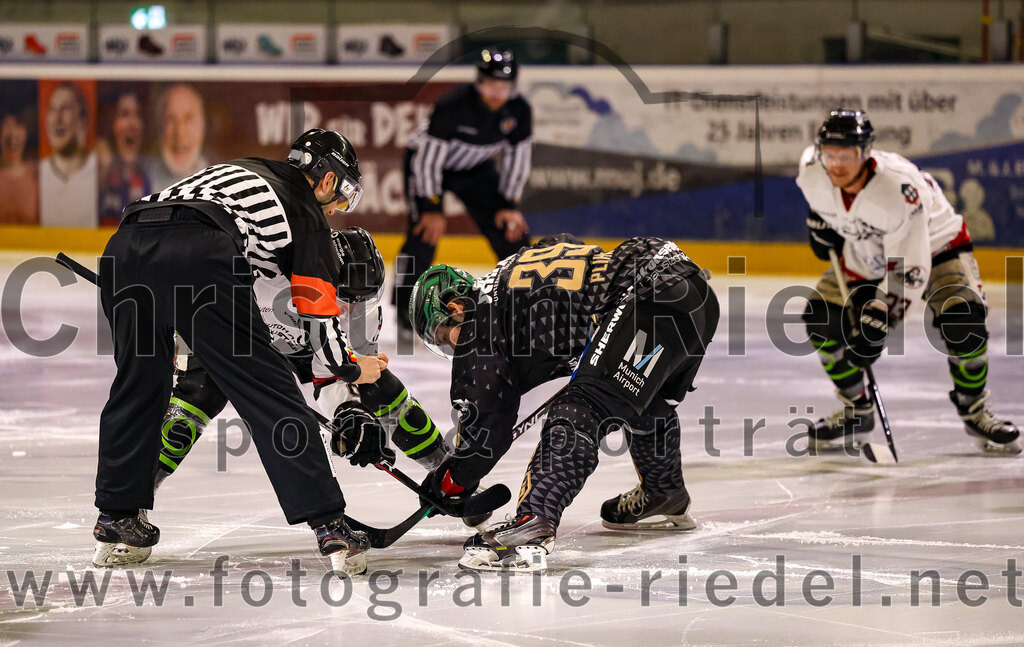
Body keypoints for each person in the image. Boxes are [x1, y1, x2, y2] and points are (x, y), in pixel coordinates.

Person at [93, 128, 393, 576]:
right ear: (328, 180)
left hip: (125, 246)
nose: (335, 210)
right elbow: (317, 312)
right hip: (201, 249)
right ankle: (330, 525)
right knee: (268, 390)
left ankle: (117, 517)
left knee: (137, 385)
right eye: (341, 198)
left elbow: (178, 228)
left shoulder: (246, 169)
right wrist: (350, 367)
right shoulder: (305, 210)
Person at [409, 234, 719, 571]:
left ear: (455, 308)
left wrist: (453, 480)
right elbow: (563, 244)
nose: (453, 347)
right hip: (692, 293)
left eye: (444, 336)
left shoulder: (477, 325)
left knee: (580, 409)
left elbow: (486, 431)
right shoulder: (507, 275)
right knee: (640, 399)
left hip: (646, 297)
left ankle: (533, 521)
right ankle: (664, 490)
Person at [152, 227, 451, 501]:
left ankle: (449, 473)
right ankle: (136, 495)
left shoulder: (362, 312)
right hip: (241, 331)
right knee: (201, 391)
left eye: (361, 302)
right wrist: (181, 336)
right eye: (345, 300)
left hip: (308, 343)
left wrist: (350, 413)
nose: (352, 312)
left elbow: (334, 376)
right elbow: (203, 291)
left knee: (377, 383)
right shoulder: (267, 273)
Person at [797, 109, 1019, 454]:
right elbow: (826, 209)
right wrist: (822, 228)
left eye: (847, 156)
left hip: (934, 243)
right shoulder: (812, 169)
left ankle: (974, 409)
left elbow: (910, 269)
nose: (837, 165)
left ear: (865, 152)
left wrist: (880, 321)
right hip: (866, 248)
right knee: (821, 319)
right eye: (830, 154)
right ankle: (857, 409)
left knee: (964, 321)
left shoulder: (898, 190)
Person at [394, 47, 533, 336]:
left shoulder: (519, 111)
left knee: (511, 232)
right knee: (424, 234)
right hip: (427, 164)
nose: (497, 93)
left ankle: (523, 303)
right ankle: (406, 307)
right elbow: (428, 160)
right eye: (491, 85)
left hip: (475, 168)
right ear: (479, 82)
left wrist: (509, 204)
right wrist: (431, 207)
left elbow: (518, 160)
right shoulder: (453, 105)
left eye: (504, 86)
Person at [39, 81, 97, 227]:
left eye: (65, 109)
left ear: (82, 120)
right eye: (52, 109)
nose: (56, 119)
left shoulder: (100, 170)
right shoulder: (37, 173)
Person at [98, 91, 152, 226]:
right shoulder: (100, 170)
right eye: (124, 114)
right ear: (112, 124)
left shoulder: (151, 170)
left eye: (137, 114)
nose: (132, 123)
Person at [149, 83, 208, 191]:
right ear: (159, 127)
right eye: (171, 120)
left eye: (188, 119)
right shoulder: (143, 180)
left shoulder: (223, 183)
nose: (180, 133)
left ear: (202, 126)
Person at [0, 110, 39, 224]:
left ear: (25, 133)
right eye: (6, 126)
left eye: (17, 126)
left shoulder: (37, 173)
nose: (12, 132)